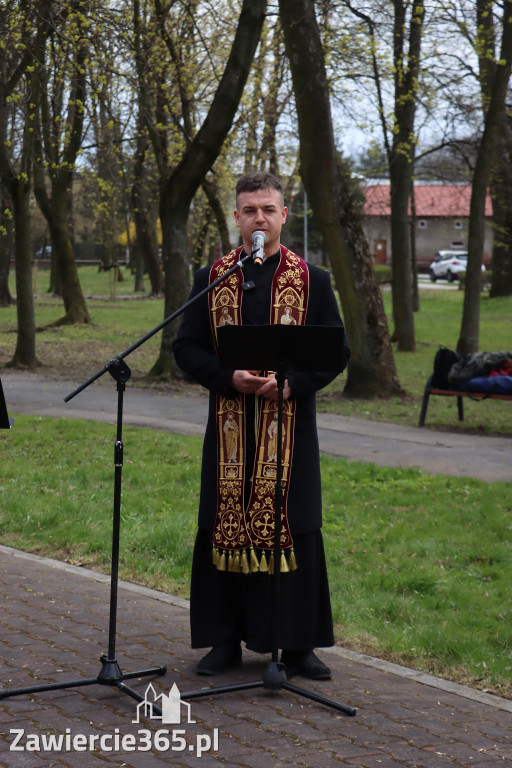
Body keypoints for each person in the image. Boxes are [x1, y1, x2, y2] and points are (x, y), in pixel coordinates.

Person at [173, 171, 350, 680]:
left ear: (283, 216)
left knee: (294, 525)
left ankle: (296, 645)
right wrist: (228, 377)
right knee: (222, 525)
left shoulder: (312, 279)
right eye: (250, 209)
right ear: (236, 216)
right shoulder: (214, 277)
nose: (259, 218)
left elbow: (336, 351)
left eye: (268, 210)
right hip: (231, 430)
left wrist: (292, 384)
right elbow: (186, 347)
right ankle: (224, 641)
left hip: (289, 430)